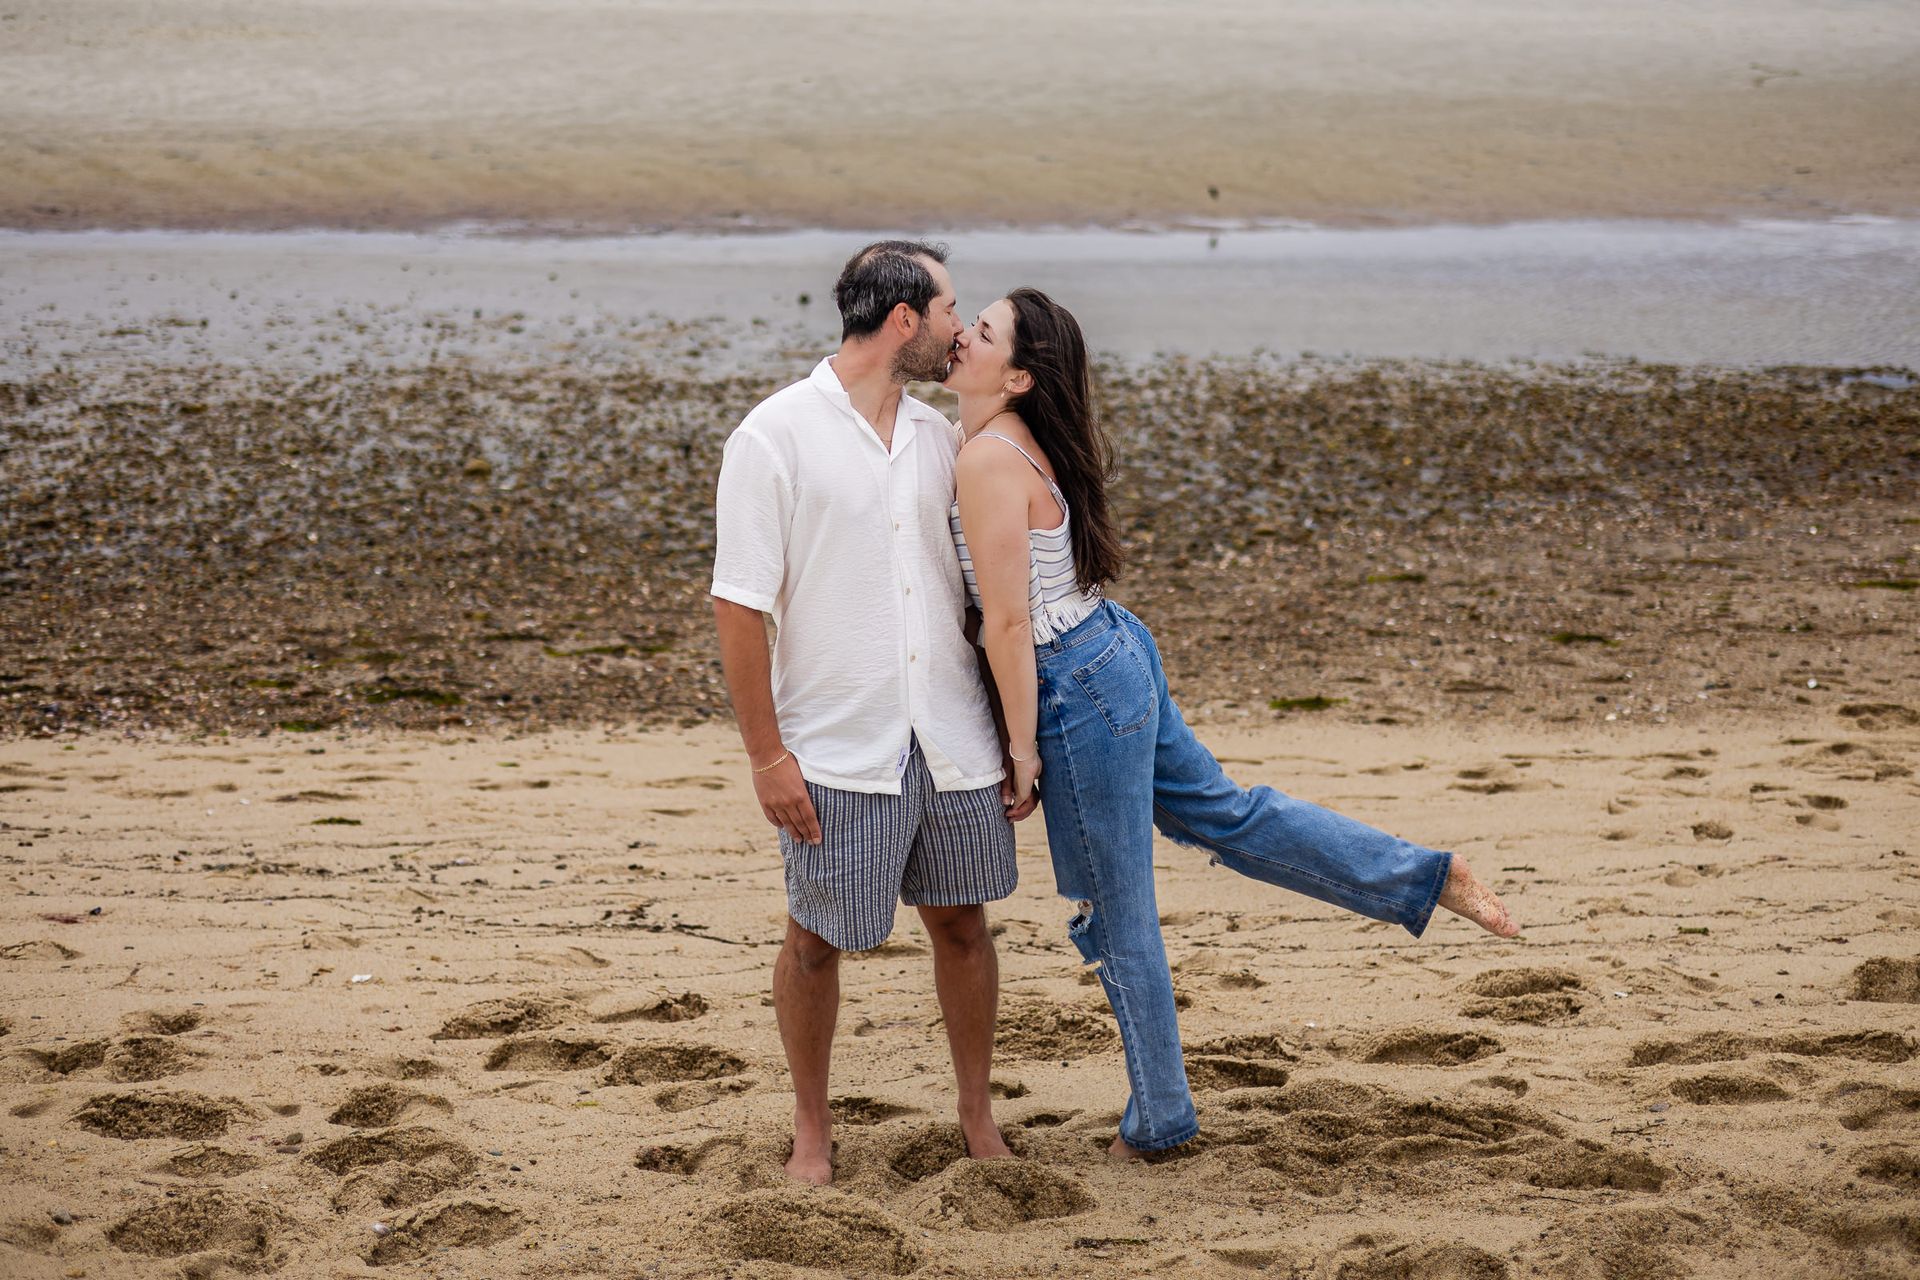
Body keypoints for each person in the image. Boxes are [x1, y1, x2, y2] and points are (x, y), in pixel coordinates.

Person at [946, 287, 1520, 1160]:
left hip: (1075, 686)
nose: (961, 336)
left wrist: (1021, 749)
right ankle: (1425, 876)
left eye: (980, 332)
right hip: (1114, 647)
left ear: (1020, 375)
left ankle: (1164, 1121)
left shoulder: (987, 457)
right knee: (1230, 817)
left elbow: (1011, 623)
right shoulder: (1009, 441)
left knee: (1117, 909)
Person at [710, 240, 1030, 1185]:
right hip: (835, 747)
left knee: (964, 925)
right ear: (903, 322)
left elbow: (988, 595)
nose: (957, 329)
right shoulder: (772, 436)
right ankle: (813, 1126)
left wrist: (1019, 733)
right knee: (814, 941)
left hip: (952, 738)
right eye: (947, 311)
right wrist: (769, 758)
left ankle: (976, 1113)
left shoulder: (942, 439)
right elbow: (737, 605)